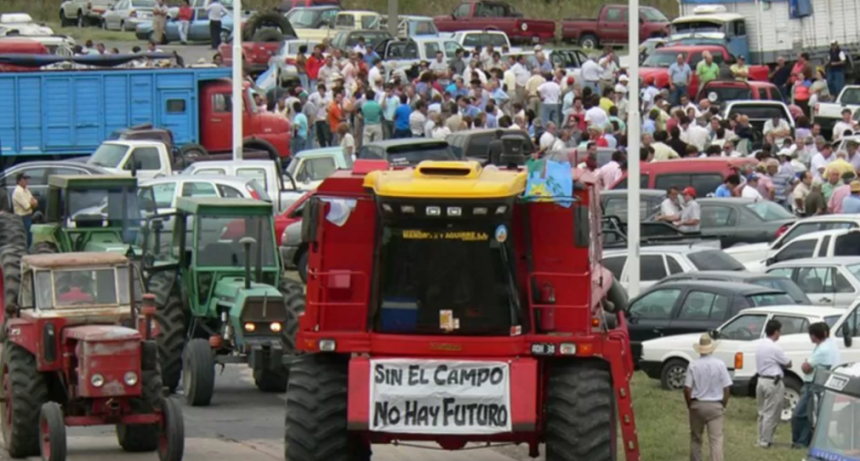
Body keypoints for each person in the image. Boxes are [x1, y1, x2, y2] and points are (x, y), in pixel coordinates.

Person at [684, 333, 732, 461]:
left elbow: (687, 388)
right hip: (715, 405)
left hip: (697, 404)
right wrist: (723, 404)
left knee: (696, 437)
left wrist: (690, 404)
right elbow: (727, 387)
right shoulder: (720, 364)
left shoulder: (693, 364)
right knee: (716, 440)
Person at [792, 322, 840, 448]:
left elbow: (806, 367)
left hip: (813, 385)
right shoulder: (831, 345)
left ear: (813, 336)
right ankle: (806, 441)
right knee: (812, 415)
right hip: (824, 384)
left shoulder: (822, 350)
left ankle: (799, 441)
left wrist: (805, 364)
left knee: (799, 414)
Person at [755, 319, 792, 448]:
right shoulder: (775, 348)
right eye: (780, 331)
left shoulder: (760, 345)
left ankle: (760, 438)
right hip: (772, 381)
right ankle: (766, 440)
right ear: (776, 332)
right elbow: (788, 363)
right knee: (771, 412)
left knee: (762, 412)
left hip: (761, 380)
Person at [11, 173, 37, 247]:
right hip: (21, 217)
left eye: (27, 179)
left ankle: (27, 250)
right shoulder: (18, 192)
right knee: (24, 237)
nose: (26, 181)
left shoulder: (26, 190)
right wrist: (32, 203)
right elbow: (27, 206)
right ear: (19, 181)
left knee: (29, 236)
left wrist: (32, 203)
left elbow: (34, 202)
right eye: (24, 179)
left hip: (28, 216)